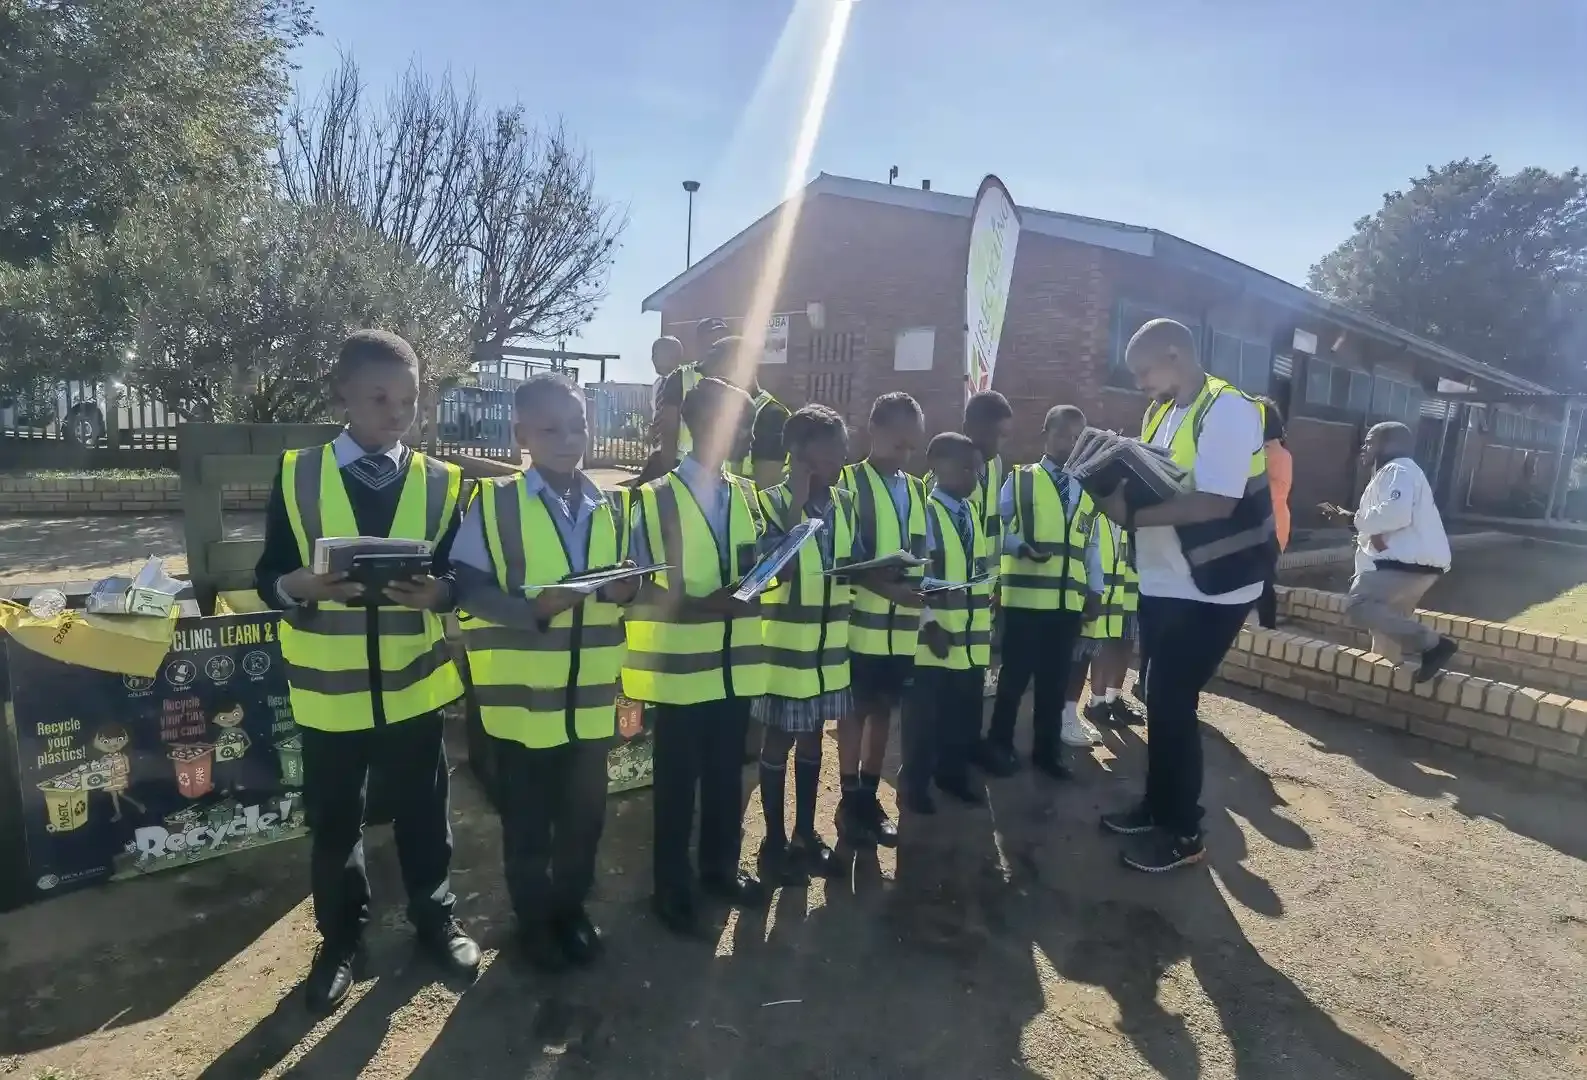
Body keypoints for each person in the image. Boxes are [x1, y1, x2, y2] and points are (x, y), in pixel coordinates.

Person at [254, 329, 479, 1012]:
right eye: (380, 397)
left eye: (408, 400)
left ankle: (434, 917)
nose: (395, 411)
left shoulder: (442, 482)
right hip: (331, 693)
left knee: (423, 810)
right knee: (334, 823)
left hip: (413, 684)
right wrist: (298, 585)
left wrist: (441, 593)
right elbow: (268, 575)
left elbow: (461, 576)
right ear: (341, 394)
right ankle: (341, 940)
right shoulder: (298, 474)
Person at [452, 374, 641, 972]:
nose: (569, 439)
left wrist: (629, 587)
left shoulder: (609, 505)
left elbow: (625, 585)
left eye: (579, 425)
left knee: (584, 816)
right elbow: (468, 589)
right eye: (552, 429)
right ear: (521, 435)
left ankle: (571, 911)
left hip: (589, 697)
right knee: (529, 823)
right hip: (523, 703)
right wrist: (530, 610)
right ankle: (535, 923)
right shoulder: (497, 503)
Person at [1094, 319, 1278, 874]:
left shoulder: (1228, 409)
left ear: (1175, 353)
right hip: (1165, 581)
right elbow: (1164, 477)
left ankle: (1184, 833)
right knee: (1157, 696)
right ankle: (1158, 804)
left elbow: (1216, 503)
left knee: (1173, 701)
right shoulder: (1163, 410)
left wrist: (1132, 516)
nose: (1141, 384)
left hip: (1214, 586)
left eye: (1144, 370)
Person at [624, 376, 770, 935]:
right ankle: (671, 886)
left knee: (724, 776)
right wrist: (707, 607)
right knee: (677, 784)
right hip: (681, 675)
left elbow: (741, 568)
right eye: (738, 423)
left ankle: (718, 869)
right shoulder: (656, 498)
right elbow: (639, 587)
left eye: (750, 426)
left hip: (733, 668)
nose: (745, 435)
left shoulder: (743, 495)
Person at [753, 404, 856, 884]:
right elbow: (778, 569)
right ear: (800, 452)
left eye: (842, 445)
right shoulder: (770, 502)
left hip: (827, 652)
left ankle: (804, 835)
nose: (842, 455)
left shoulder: (843, 504)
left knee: (814, 739)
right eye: (832, 446)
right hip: (784, 654)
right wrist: (795, 504)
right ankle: (773, 841)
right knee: (779, 741)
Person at [984, 405, 1104, 778]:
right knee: (1015, 677)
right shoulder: (1021, 480)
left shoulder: (1087, 489)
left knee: (1055, 682)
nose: (1069, 443)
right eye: (1063, 434)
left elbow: (1093, 545)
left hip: (1066, 604)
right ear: (1045, 433)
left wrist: (1095, 590)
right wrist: (1019, 546)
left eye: (1077, 437)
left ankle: (1046, 752)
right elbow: (994, 529)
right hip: (1025, 601)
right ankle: (999, 745)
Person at [836, 392, 928, 848]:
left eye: (912, 447)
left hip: (901, 630)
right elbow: (844, 557)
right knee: (855, 712)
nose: (905, 455)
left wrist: (923, 590)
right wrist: (886, 587)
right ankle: (849, 798)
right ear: (873, 431)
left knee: (883, 713)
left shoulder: (915, 489)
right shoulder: (849, 484)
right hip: (860, 625)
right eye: (898, 444)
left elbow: (920, 552)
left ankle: (870, 795)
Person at [899, 432, 994, 812]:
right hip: (934, 636)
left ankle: (952, 776)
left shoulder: (970, 511)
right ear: (938, 465)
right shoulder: (924, 511)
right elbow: (913, 575)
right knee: (924, 719)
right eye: (967, 467)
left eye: (977, 468)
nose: (974, 475)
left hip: (969, 637)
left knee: (961, 715)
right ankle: (915, 787)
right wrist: (928, 623)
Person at [1320, 421, 1456, 680]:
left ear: (1390, 444)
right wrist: (1351, 520)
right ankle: (1385, 685)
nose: (1364, 447)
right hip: (1414, 566)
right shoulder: (1392, 473)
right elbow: (1384, 522)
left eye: (1370, 441)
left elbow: (1395, 514)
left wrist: (1352, 519)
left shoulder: (1398, 469)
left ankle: (1434, 645)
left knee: (1358, 605)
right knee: (1385, 633)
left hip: (1405, 565)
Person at [649, 330, 790, 488]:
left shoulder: (771, 416)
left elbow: (765, 491)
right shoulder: (725, 412)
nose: (709, 381)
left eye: (714, 374)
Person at [1255, 397, 1292, 629]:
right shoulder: (1261, 450)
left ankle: (1269, 629)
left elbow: (1273, 493)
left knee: (1263, 581)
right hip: (1262, 526)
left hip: (1270, 528)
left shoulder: (1275, 454)